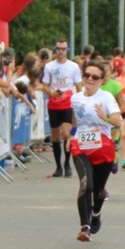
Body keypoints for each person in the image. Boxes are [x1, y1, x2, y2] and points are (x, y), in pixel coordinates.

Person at [68, 59, 122, 241]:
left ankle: (96, 213)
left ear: (101, 80)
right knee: (86, 184)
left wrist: (105, 117)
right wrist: (72, 135)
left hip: (103, 149)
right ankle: (85, 227)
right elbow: (76, 119)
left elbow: (118, 121)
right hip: (81, 147)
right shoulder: (75, 98)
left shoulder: (106, 97)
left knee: (98, 190)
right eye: (87, 75)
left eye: (95, 76)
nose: (90, 79)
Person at [41, 38, 82, 177]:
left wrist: (80, 102)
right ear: (55, 49)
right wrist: (52, 93)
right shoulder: (49, 66)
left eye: (63, 49)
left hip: (67, 104)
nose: (60, 51)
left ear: (67, 50)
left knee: (67, 134)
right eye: (58, 48)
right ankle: (58, 166)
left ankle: (67, 164)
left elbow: (79, 86)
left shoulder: (73, 66)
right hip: (53, 104)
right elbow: (45, 86)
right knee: (55, 136)